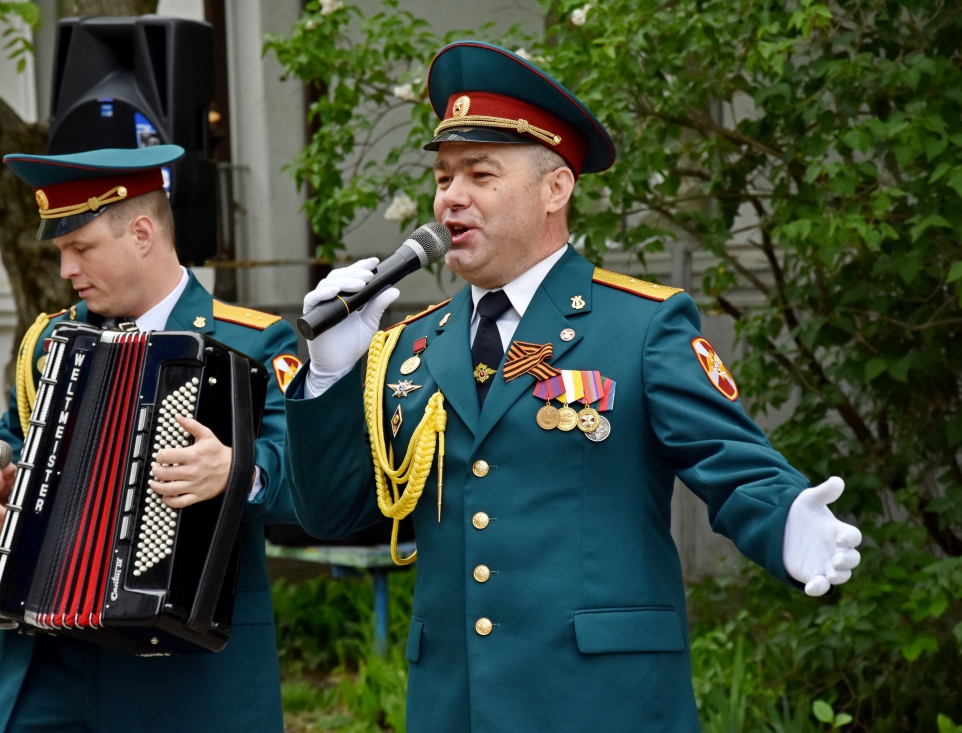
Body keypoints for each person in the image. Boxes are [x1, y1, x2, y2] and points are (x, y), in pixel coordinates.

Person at [282, 41, 862, 732]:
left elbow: (728, 459)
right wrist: (328, 374)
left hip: (600, 702)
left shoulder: (638, 325)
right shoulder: (410, 347)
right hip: (455, 706)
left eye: (480, 173)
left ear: (555, 189)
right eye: (443, 177)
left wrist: (785, 516)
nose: (450, 198)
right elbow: (331, 514)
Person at [0, 145, 301, 733]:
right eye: (62, 252)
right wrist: (1, 485)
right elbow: (14, 436)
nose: (66, 270)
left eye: (81, 248)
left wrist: (235, 471)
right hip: (50, 650)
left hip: (183, 667)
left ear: (142, 233)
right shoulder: (53, 341)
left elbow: (302, 476)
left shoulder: (253, 343)